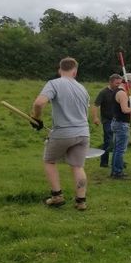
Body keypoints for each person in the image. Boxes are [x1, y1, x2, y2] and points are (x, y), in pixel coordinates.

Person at [30, 57, 90, 211]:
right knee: (78, 166)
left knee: (49, 160)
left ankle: (57, 196)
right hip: (83, 132)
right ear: (75, 71)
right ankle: (81, 201)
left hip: (63, 132)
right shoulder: (83, 88)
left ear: (59, 70)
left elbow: (39, 103)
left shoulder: (54, 83)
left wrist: (36, 118)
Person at [111, 73, 131, 179]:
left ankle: (114, 171)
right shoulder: (122, 93)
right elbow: (124, 110)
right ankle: (118, 172)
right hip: (121, 124)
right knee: (120, 149)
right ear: (128, 82)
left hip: (116, 122)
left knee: (116, 149)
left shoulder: (116, 90)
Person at [91, 74, 123, 168]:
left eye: (120, 83)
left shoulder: (120, 92)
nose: (118, 85)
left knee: (119, 141)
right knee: (109, 141)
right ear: (111, 82)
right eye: (117, 83)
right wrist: (95, 118)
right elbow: (95, 105)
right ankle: (104, 162)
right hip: (107, 121)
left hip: (118, 120)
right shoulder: (103, 92)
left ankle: (117, 161)